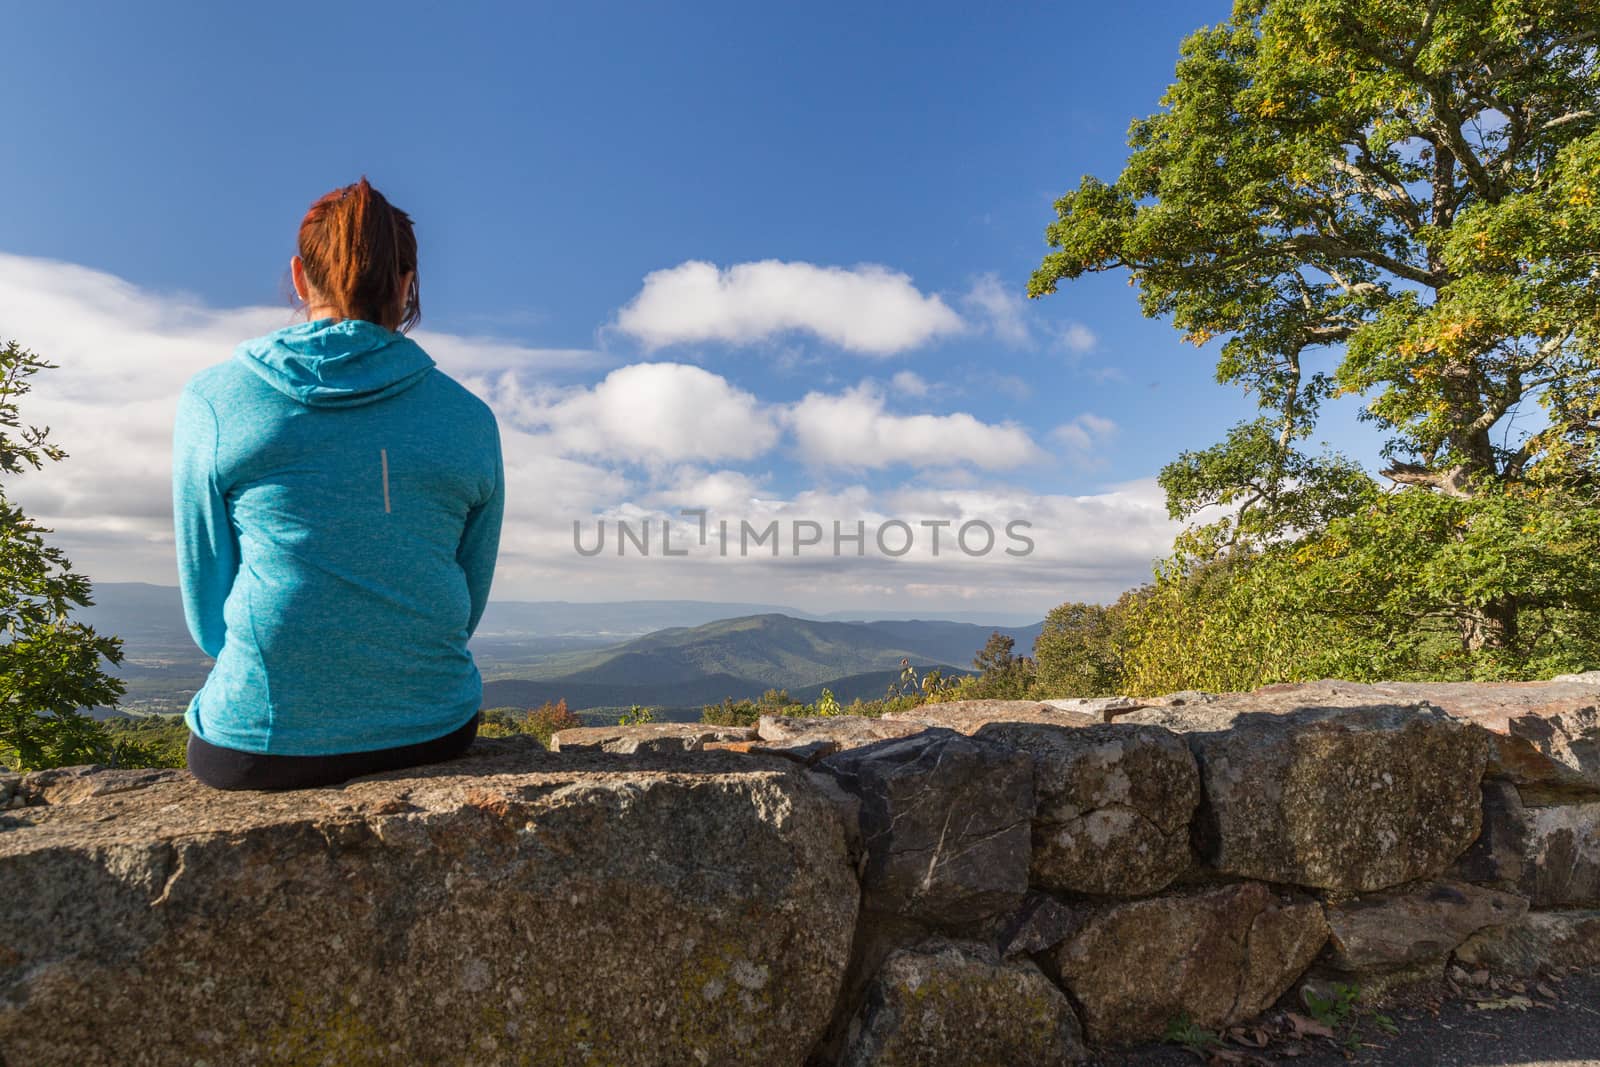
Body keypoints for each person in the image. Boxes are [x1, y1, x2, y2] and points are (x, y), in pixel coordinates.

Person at [172, 176, 504, 790]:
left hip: (260, 742)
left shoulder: (216, 400)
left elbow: (207, 602)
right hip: (434, 726)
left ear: (300, 278)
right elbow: (468, 592)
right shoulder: (469, 419)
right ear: (407, 288)